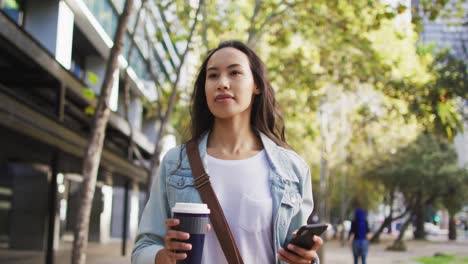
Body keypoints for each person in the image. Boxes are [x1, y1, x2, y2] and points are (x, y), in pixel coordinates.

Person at [132, 40, 322, 264]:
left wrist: (306, 260)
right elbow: (142, 249)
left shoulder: (292, 169)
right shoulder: (176, 163)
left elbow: (300, 256)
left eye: (234, 73)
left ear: (256, 85)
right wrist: (162, 257)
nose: (222, 83)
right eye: (213, 76)